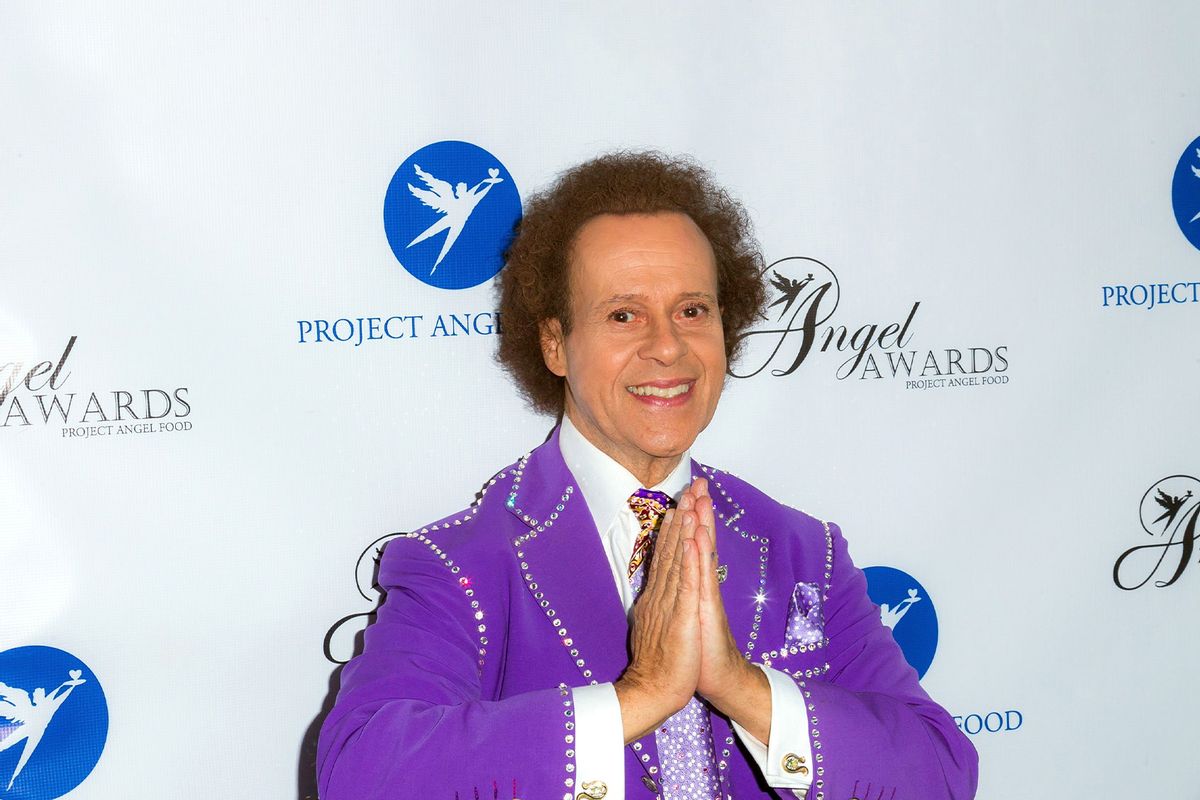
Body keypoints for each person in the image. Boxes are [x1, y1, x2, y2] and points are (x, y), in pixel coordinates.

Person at [317, 152, 978, 799]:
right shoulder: (461, 563)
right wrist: (637, 699)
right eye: (623, 315)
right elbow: (360, 775)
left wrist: (741, 687)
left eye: (692, 311)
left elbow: (942, 773)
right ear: (554, 342)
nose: (667, 346)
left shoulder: (805, 552)